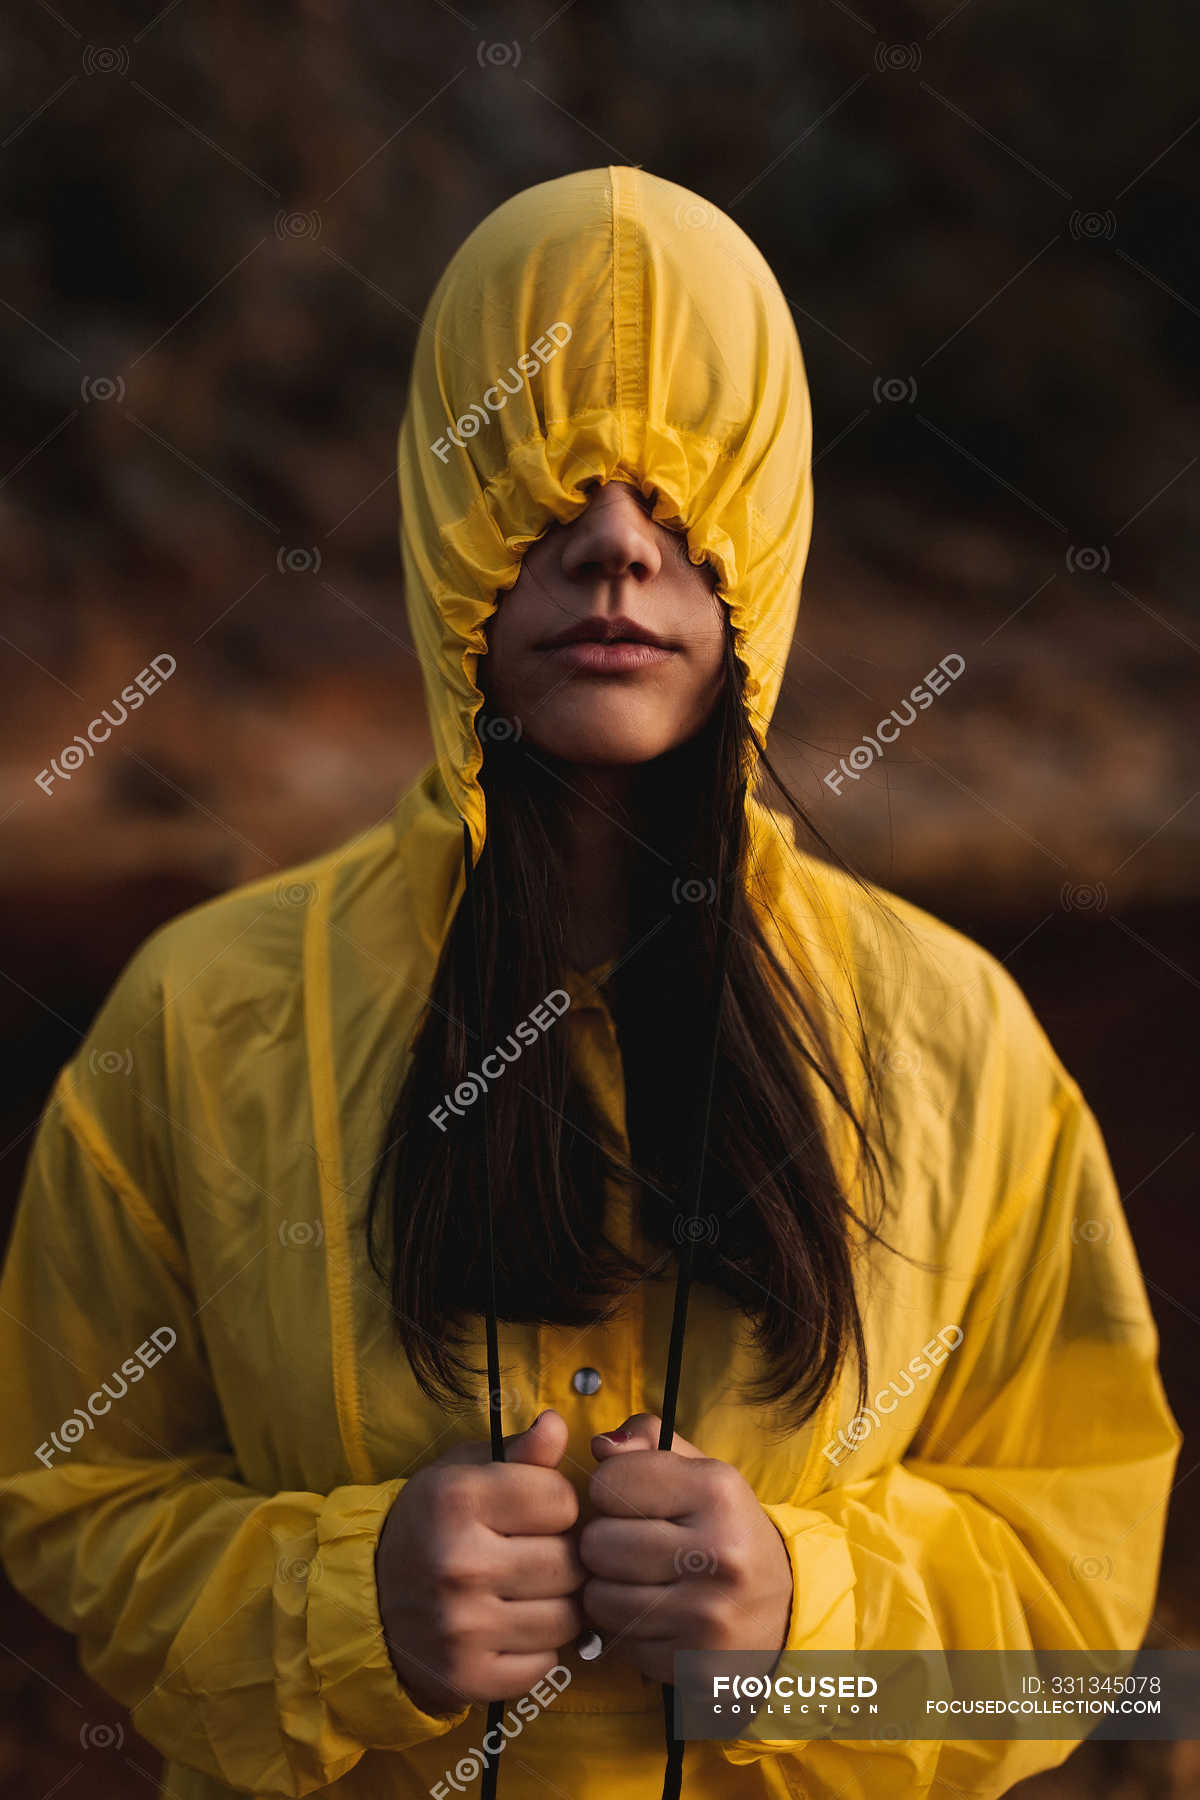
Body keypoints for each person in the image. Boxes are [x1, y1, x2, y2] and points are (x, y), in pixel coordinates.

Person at [0, 165, 1180, 1800]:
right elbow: (75, 1501)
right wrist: (354, 1614)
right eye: (543, 473)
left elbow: (1080, 1607)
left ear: (768, 511)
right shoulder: (199, 1024)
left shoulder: (959, 1037)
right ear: (440, 506)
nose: (618, 546)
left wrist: (799, 1627)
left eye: (681, 482)